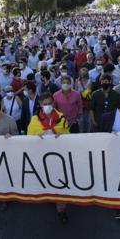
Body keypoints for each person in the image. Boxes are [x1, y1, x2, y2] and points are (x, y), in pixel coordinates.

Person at [26, 92, 70, 223]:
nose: (47, 106)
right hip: (42, 158)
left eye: (49, 103)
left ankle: (61, 210)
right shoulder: (34, 120)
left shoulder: (61, 118)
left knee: (61, 183)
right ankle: (51, 196)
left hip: (59, 157)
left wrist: (62, 137)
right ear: (40, 105)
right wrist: (36, 138)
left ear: (53, 103)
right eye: (44, 104)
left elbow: (69, 136)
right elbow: (28, 139)